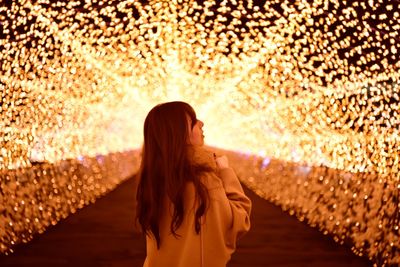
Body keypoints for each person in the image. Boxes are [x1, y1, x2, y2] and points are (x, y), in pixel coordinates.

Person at [136, 101, 251, 267]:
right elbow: (238, 222)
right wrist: (226, 171)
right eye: (194, 121)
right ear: (180, 133)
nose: (201, 123)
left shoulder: (152, 181)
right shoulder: (203, 182)